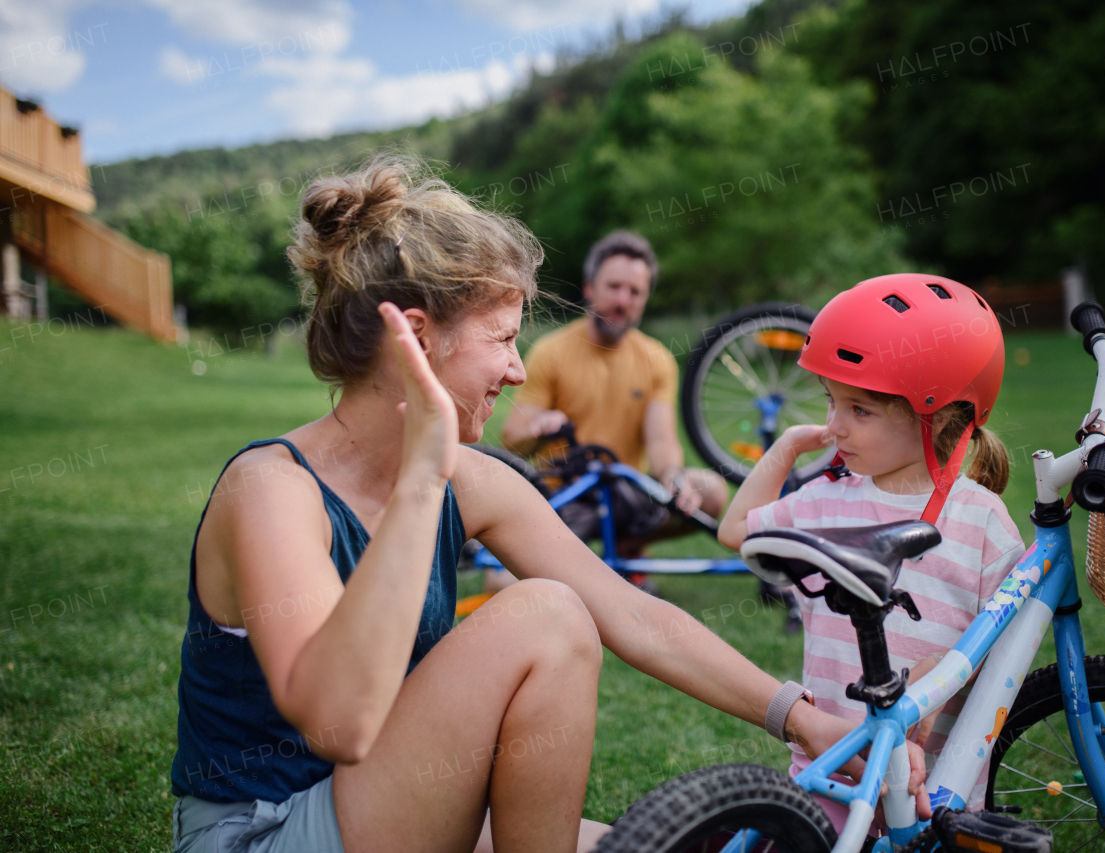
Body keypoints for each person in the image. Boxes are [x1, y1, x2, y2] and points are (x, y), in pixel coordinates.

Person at [169, 157, 931, 853]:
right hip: (262, 831)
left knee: (668, 846)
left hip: (374, 806)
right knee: (546, 614)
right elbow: (338, 719)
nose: (517, 368)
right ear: (421, 340)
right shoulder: (272, 490)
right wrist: (422, 479)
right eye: (502, 338)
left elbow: (634, 615)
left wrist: (806, 718)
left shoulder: (474, 480)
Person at [719, 273, 1026, 837]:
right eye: (832, 403)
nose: (834, 425)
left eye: (859, 410)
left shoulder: (982, 519)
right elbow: (735, 529)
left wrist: (934, 680)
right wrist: (786, 447)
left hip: (940, 784)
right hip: (832, 769)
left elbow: (1007, 639)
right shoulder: (826, 500)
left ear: (937, 416)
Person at [499, 232, 727, 590]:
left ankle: (626, 550)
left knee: (710, 491)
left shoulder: (657, 360)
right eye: (614, 287)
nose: (623, 300)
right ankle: (596, 567)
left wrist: (673, 478)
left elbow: (662, 441)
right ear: (590, 288)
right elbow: (511, 438)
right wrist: (539, 425)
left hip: (626, 494)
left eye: (635, 292)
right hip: (565, 498)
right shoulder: (551, 351)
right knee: (500, 582)